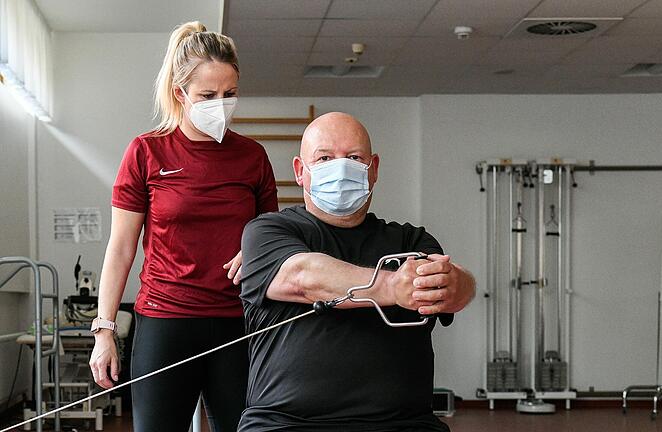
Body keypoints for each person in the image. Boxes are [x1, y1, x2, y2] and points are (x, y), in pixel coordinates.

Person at [88, 21, 277, 431]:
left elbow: (273, 237)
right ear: (181, 94)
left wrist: (257, 250)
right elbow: (121, 248)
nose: (221, 104)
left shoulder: (252, 157)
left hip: (237, 321)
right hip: (165, 322)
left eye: (230, 94)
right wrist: (104, 331)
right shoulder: (146, 151)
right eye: (208, 96)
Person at [238, 112, 476, 431]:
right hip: (285, 424)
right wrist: (390, 286)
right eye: (324, 157)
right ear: (300, 171)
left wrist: (458, 284)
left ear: (373, 169)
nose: (340, 167)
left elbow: (454, 290)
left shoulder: (411, 240)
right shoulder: (267, 231)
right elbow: (302, 278)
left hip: (402, 425)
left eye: (353, 157)